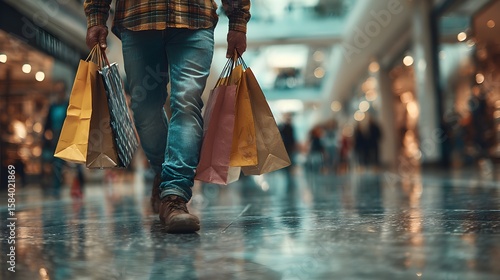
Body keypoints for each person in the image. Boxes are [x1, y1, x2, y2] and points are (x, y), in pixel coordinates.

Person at [84, 0, 250, 233]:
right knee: (144, 108)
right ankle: (165, 178)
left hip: (194, 17)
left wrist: (238, 21)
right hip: (138, 18)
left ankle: (174, 196)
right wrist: (96, 17)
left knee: (187, 101)